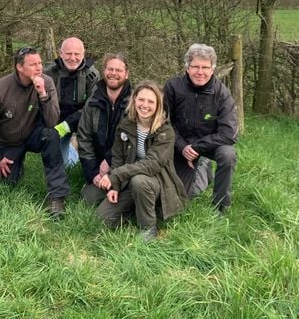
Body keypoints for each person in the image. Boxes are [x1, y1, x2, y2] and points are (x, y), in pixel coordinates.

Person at [0, 46, 70, 219]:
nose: (39, 68)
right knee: (6, 184)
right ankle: (17, 165)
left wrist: (43, 94)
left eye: (40, 63)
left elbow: (52, 121)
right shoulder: (1, 88)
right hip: (9, 140)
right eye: (33, 64)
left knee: (51, 135)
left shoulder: (47, 82)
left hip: (33, 134)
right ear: (20, 67)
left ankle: (56, 197)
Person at [95, 80, 187, 242]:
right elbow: (118, 157)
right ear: (134, 100)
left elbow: (152, 165)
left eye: (151, 101)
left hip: (157, 182)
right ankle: (137, 207)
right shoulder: (126, 124)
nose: (145, 105)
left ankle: (148, 227)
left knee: (139, 182)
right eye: (141, 99)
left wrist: (115, 176)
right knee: (102, 218)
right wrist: (114, 187)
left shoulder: (166, 131)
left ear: (158, 105)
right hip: (130, 179)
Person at [163, 43, 238, 214]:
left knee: (228, 154)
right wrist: (183, 147)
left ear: (212, 70)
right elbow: (164, 122)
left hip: (209, 146)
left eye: (205, 67)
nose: (200, 72)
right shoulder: (172, 87)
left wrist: (197, 148)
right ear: (187, 68)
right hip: (180, 145)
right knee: (183, 196)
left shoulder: (222, 94)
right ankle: (203, 170)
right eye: (195, 66)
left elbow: (229, 133)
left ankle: (220, 206)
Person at [77, 53, 132, 205]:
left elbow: (130, 140)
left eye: (118, 70)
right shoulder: (93, 100)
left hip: (126, 164)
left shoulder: (135, 103)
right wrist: (94, 172)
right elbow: (83, 137)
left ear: (126, 74)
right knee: (88, 199)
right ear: (104, 71)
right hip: (98, 167)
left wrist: (109, 161)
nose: (113, 73)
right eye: (110, 69)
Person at [44, 37, 100, 168]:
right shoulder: (49, 73)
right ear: (60, 53)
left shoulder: (92, 75)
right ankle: (71, 149)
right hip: (56, 120)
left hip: (82, 121)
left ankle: (75, 145)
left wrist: (67, 126)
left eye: (77, 54)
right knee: (60, 164)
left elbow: (92, 106)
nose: (72, 58)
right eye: (68, 54)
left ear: (83, 54)